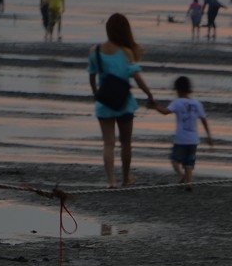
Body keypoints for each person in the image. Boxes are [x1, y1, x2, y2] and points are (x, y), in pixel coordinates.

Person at [88, 13, 154, 188]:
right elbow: (137, 77)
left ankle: (111, 181)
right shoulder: (126, 52)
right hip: (124, 103)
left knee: (108, 143)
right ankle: (125, 178)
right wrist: (149, 94)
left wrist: (97, 93)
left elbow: (92, 76)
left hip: (104, 103)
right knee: (126, 143)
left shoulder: (95, 51)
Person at [148, 76, 213, 191]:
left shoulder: (177, 102)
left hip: (181, 138)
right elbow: (203, 120)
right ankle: (189, 182)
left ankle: (182, 175)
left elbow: (165, 112)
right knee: (189, 162)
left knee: (175, 160)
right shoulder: (197, 103)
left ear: (177, 89)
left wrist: (155, 106)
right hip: (193, 139)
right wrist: (208, 136)